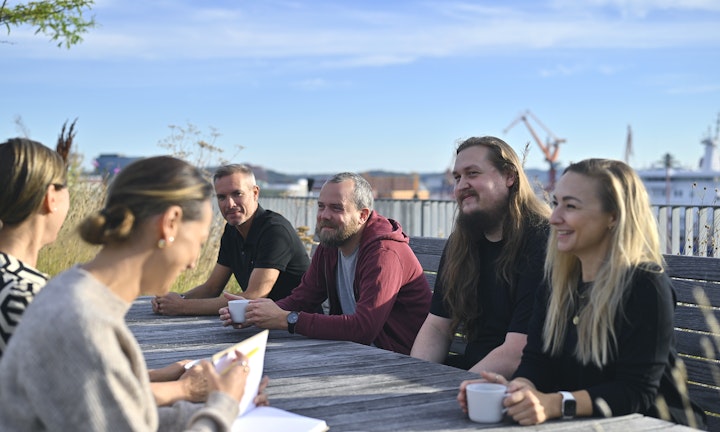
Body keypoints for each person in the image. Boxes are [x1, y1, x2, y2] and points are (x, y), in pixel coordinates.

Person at [0, 156, 268, 430]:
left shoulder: (71, 292)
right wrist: (224, 404)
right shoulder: (82, 322)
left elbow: (123, 417)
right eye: (198, 242)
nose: (192, 262)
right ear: (170, 223)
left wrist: (226, 407)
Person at [458, 159, 707, 428]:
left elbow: (636, 390)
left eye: (571, 206)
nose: (554, 218)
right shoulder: (557, 282)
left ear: (613, 216)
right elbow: (536, 362)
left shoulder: (644, 284)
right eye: (555, 204)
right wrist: (518, 390)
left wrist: (556, 404)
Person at [220, 172, 432, 355]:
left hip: (398, 359)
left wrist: (288, 320)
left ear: (362, 215)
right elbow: (304, 297)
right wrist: (256, 313)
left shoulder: (384, 253)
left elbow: (364, 328)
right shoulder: (331, 243)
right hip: (354, 351)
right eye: (321, 206)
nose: (324, 216)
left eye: (336, 208)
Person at [410, 136, 550, 377]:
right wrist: (414, 379)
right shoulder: (462, 242)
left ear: (509, 176)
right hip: (472, 374)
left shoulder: (541, 238)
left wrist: (456, 389)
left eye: (472, 173)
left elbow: (518, 350)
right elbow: (437, 327)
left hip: (523, 384)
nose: (461, 185)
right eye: (457, 177)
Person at [152, 164, 310, 316]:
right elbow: (211, 288)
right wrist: (172, 300)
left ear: (255, 193)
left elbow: (253, 296)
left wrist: (181, 307)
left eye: (237, 194)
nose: (229, 204)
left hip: (296, 326)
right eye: (222, 197)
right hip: (260, 322)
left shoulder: (275, 231)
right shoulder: (232, 231)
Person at [0, 137, 71, 358]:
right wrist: (177, 389)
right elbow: (80, 390)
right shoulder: (30, 296)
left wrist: (157, 377)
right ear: (51, 197)